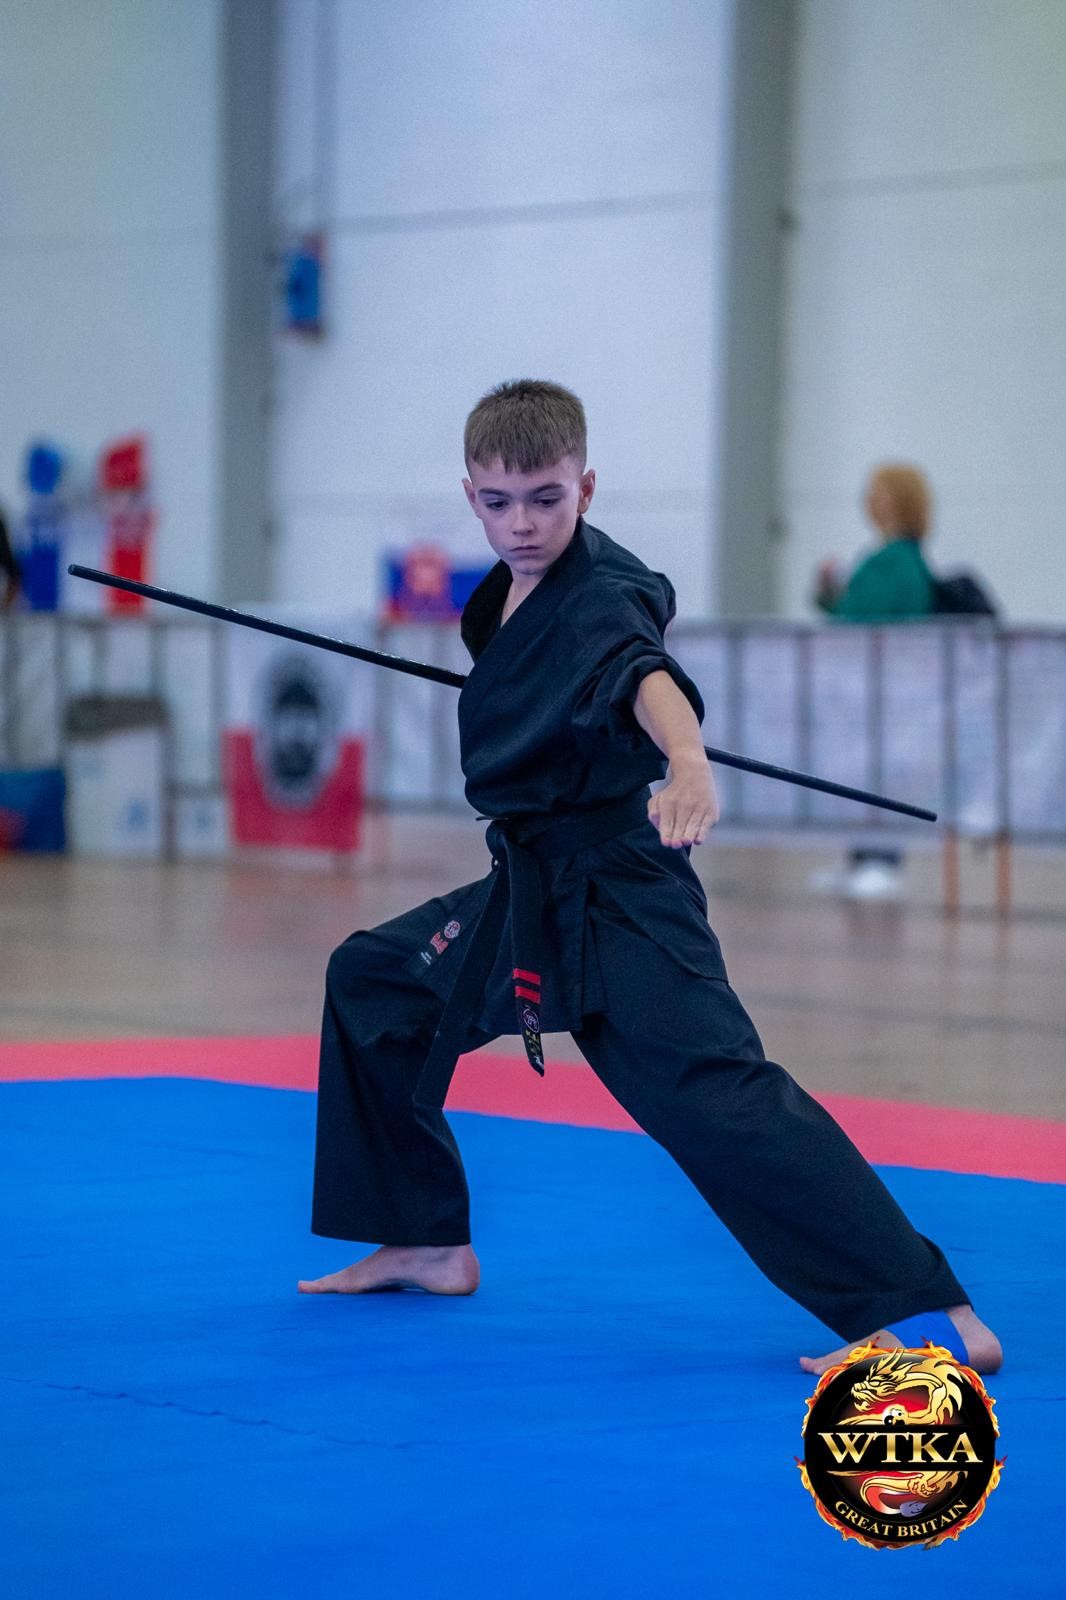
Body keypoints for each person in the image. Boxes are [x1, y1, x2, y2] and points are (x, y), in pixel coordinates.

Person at [300, 383, 1001, 1377]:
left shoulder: (600, 592)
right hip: (530, 891)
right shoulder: (501, 596)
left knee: (715, 1094)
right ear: (471, 496)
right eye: (500, 502)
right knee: (376, 981)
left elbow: (640, 672)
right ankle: (426, 1237)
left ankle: (931, 1316)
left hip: (621, 895)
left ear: (585, 485)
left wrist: (690, 761)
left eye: (546, 497)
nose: (525, 522)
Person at [813, 463, 935, 900]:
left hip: (891, 687)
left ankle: (882, 858)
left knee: (886, 770)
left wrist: (838, 600)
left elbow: (863, 615)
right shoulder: (887, 558)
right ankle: (864, 856)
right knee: (863, 770)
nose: (870, 500)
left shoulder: (898, 561)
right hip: (869, 687)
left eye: (880, 493)